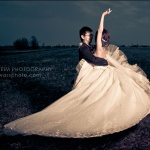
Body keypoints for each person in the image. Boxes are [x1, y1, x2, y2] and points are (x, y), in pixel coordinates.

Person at [4, 8, 150, 138]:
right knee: (97, 96)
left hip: (99, 72)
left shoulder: (95, 46)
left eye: (94, 36)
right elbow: (93, 58)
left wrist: (103, 17)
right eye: (88, 35)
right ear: (83, 36)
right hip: (99, 71)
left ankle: (104, 114)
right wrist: (103, 16)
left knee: (102, 95)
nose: (91, 37)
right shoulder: (91, 48)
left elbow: (95, 50)